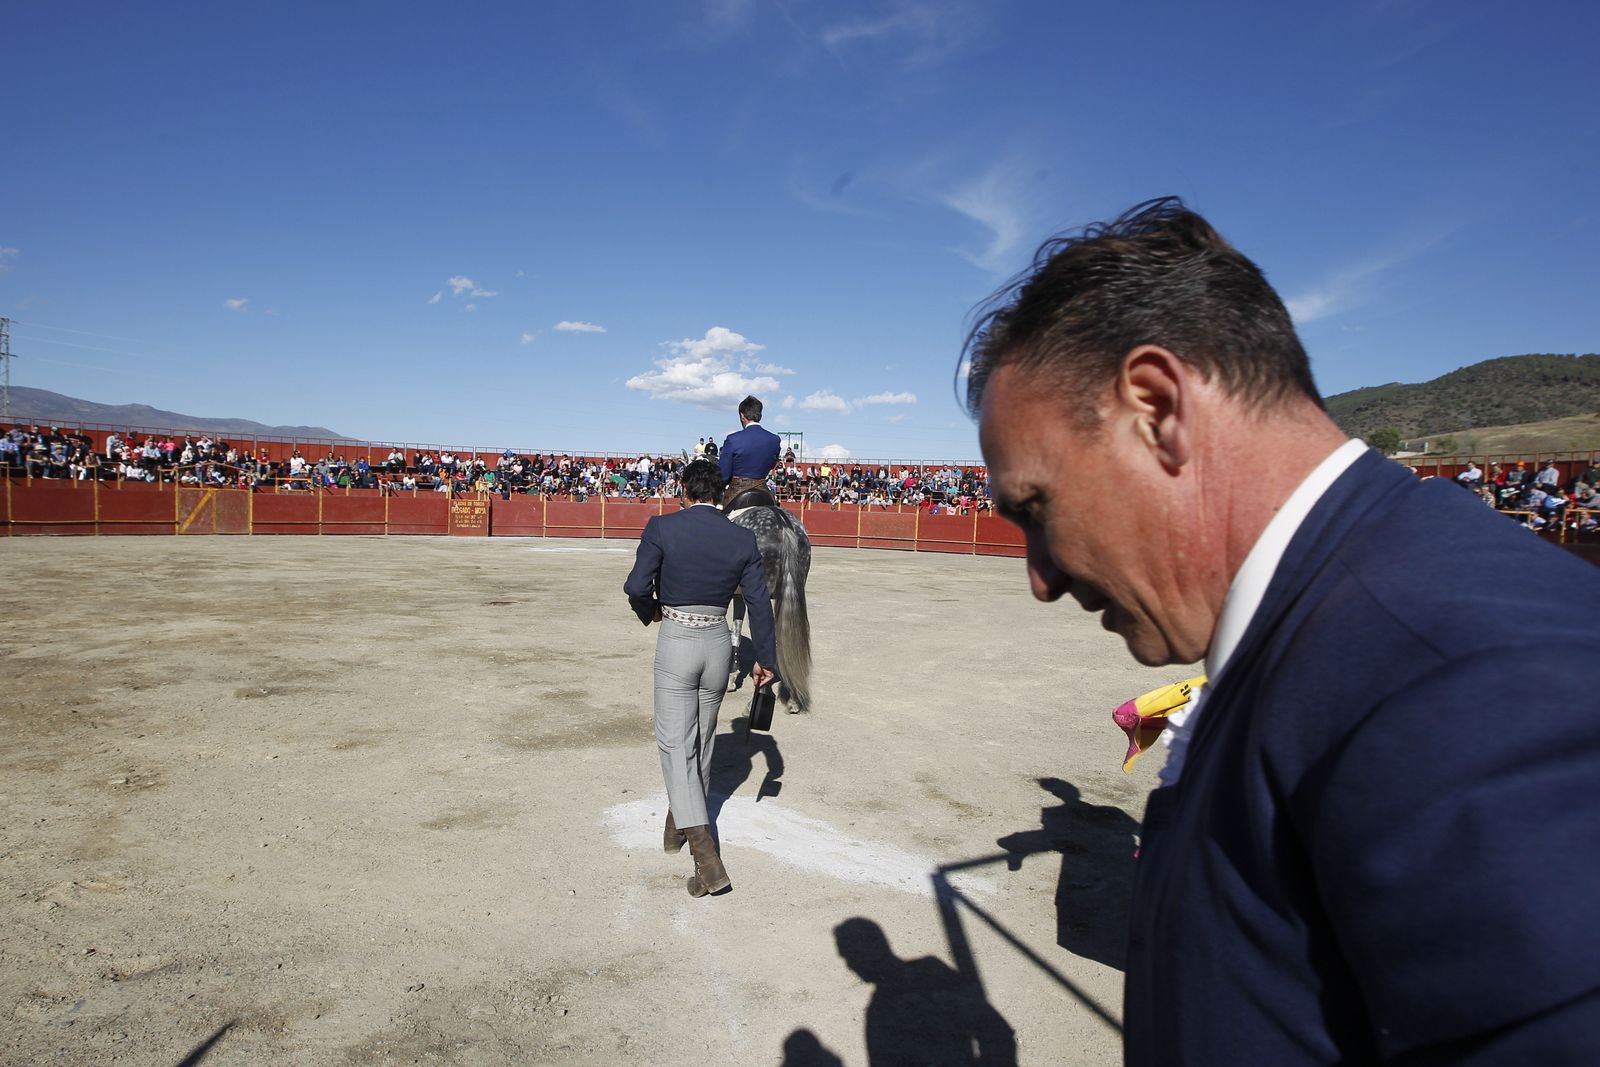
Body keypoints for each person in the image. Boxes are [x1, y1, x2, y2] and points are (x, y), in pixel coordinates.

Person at [964, 196, 1600, 1064]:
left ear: (1156, 407)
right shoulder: (1338, 623)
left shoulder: (1468, 682)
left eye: (1036, 506)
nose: (1040, 577)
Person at [623, 458, 776, 898]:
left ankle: (706, 858)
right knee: (702, 741)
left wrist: (649, 609)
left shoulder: (661, 527)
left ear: (684, 492)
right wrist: (764, 659)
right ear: (720, 496)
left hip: (678, 640)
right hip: (719, 647)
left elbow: (636, 586)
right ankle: (677, 825)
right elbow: (760, 604)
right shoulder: (742, 536)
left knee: (675, 744)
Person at [718, 395, 781, 507]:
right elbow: (772, 465)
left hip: (737, 491)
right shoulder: (774, 440)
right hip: (764, 490)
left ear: (742, 416)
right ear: (760, 415)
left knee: (720, 521)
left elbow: (724, 475)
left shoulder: (732, 439)